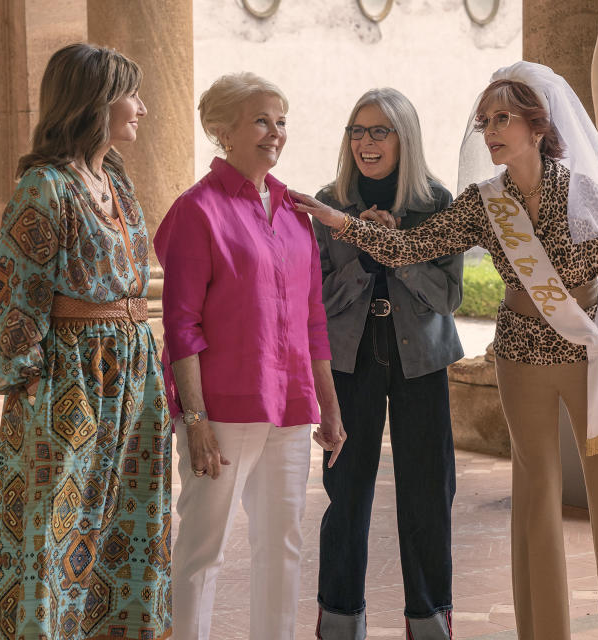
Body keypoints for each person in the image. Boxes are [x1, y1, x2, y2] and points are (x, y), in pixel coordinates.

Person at [295, 61, 598, 640]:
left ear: (538, 126)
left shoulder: (586, 191)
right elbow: (415, 247)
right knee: (535, 505)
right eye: (484, 120)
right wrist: (344, 223)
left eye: (503, 119)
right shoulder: (482, 202)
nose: (490, 131)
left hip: (594, 360)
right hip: (519, 364)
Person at [0, 43, 170, 639]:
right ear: (96, 102)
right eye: (130, 94)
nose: (141, 106)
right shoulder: (44, 186)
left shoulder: (115, 179)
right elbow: (16, 296)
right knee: (56, 534)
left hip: (132, 375)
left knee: (126, 526)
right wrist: (31, 389)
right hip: (69, 382)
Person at [154, 72, 344, 640]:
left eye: (281, 121)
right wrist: (195, 420)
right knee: (201, 550)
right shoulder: (197, 211)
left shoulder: (293, 214)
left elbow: (314, 321)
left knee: (282, 545)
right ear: (222, 131)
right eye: (261, 120)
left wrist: (328, 407)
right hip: (224, 410)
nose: (275, 133)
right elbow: (180, 326)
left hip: (289, 408)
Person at [312, 88, 464, 639]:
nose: (366, 142)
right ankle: (339, 618)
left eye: (380, 131)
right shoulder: (329, 203)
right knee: (346, 488)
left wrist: (398, 253)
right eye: (358, 130)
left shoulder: (436, 203)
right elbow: (320, 299)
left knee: (427, 489)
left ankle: (429, 618)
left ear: (405, 138)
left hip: (420, 357)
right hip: (352, 357)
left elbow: (447, 297)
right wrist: (365, 256)